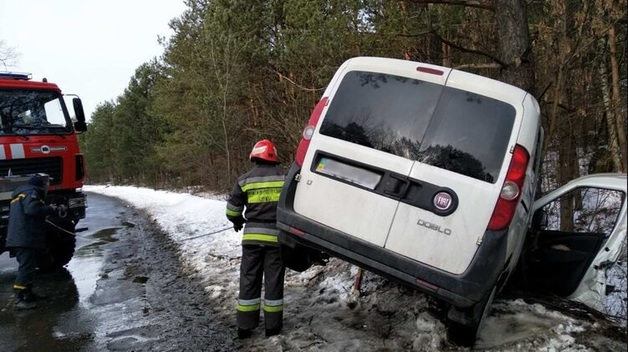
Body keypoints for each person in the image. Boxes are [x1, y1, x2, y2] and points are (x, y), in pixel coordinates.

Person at [226, 139, 286, 338]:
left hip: (251, 239)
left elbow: (232, 209)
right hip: (276, 239)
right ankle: (273, 327)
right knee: (273, 281)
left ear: (255, 156)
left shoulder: (244, 179)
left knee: (249, 279)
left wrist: (237, 220)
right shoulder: (285, 177)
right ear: (274, 156)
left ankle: (245, 327)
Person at [6, 173, 58, 310]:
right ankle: (19, 299)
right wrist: (50, 209)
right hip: (24, 238)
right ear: (40, 184)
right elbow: (32, 210)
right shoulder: (31, 192)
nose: (47, 186)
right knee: (26, 267)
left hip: (22, 236)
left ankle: (28, 294)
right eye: (45, 183)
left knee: (30, 266)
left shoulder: (21, 194)